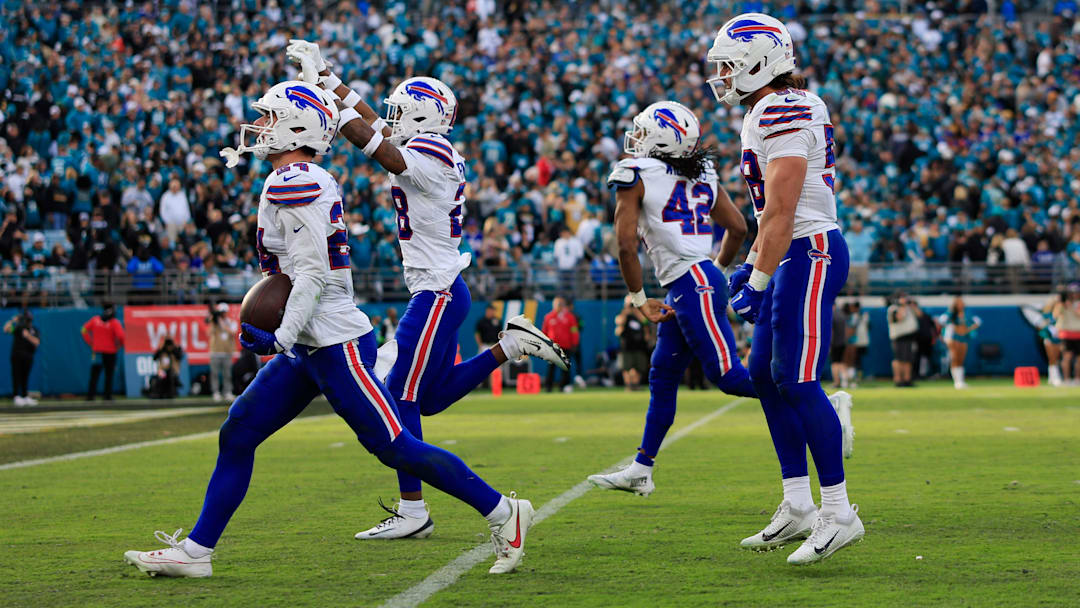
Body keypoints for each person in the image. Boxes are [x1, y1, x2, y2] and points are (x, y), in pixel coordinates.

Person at [125, 79, 536, 578]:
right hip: (309, 341)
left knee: (394, 445)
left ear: (297, 128)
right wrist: (334, 84)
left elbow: (312, 274)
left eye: (270, 118)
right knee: (239, 431)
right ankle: (196, 552)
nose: (260, 126)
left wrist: (279, 337)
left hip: (333, 342)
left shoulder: (296, 180)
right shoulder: (293, 176)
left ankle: (502, 511)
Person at [290, 41, 568, 543]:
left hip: (436, 294)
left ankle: (413, 510)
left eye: (401, 111)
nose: (391, 118)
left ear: (422, 116)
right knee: (429, 398)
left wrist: (317, 102)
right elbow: (375, 126)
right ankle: (508, 347)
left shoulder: (430, 153)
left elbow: (375, 145)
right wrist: (328, 78)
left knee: (398, 394)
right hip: (440, 291)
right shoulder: (431, 147)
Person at [705, 14, 862, 564]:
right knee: (763, 378)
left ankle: (839, 511)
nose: (722, 75)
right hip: (789, 249)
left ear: (758, 61)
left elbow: (783, 210)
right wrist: (755, 266)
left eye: (728, 64)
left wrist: (758, 276)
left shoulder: (784, 109)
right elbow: (769, 215)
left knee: (795, 379)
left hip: (809, 250)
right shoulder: (765, 110)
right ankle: (797, 501)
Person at [587, 100, 758, 498]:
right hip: (693, 279)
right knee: (662, 375)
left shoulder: (636, 174)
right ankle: (641, 469)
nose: (637, 138)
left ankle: (818, 401)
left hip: (690, 280)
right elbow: (737, 228)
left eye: (644, 132)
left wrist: (638, 298)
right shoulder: (702, 173)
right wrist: (714, 270)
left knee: (729, 377)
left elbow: (626, 247)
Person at [82, 302, 125, 401]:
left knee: (94, 375)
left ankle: (90, 396)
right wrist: (119, 346)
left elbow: (83, 329)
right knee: (108, 375)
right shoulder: (114, 322)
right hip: (110, 352)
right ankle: (107, 396)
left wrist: (91, 342)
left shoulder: (95, 320)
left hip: (97, 352)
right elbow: (121, 336)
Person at [940, 296, 980, 389]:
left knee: (961, 359)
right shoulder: (950, 313)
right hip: (953, 337)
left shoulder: (967, 313)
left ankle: (961, 381)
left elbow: (977, 322)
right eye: (958, 303)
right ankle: (956, 381)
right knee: (955, 357)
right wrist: (954, 328)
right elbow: (942, 320)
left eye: (961, 302)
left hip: (964, 337)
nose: (960, 305)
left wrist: (967, 330)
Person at [614, 296, 651, 391]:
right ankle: (628, 386)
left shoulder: (640, 315)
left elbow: (645, 322)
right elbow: (618, 324)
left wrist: (637, 311)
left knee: (639, 367)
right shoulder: (623, 315)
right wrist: (626, 311)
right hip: (626, 346)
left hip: (639, 346)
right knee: (626, 368)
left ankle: (636, 385)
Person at [541, 296, 577, 392]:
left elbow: (574, 330)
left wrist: (575, 343)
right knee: (551, 368)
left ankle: (564, 387)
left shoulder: (569, 317)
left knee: (565, 367)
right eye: (557, 304)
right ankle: (548, 387)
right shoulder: (548, 317)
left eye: (561, 304)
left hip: (566, 346)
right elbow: (544, 332)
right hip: (552, 347)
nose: (559, 306)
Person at [5, 310, 40, 406]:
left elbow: (37, 342)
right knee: (16, 375)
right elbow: (6, 329)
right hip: (17, 355)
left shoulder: (34, 329)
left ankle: (25, 396)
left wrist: (28, 336)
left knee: (25, 377)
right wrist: (13, 320)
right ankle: (16, 396)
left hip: (28, 356)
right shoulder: (18, 328)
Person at [887, 293, 918, 387]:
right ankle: (898, 380)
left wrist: (912, 306)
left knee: (908, 359)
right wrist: (903, 306)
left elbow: (920, 314)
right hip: (898, 337)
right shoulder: (893, 308)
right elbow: (899, 318)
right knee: (899, 359)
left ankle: (907, 379)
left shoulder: (909, 308)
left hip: (909, 337)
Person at [207, 303, 236, 402]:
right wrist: (213, 320)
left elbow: (233, 333)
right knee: (214, 374)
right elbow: (209, 333)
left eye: (224, 312)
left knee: (227, 374)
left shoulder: (231, 322)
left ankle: (227, 392)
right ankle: (216, 392)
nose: (223, 314)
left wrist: (221, 323)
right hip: (215, 352)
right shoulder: (214, 323)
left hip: (227, 352)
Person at [1053, 283, 1080, 385]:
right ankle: (1066, 379)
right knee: (1066, 357)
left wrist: (1071, 307)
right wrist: (1060, 304)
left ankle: (1077, 379)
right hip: (1066, 334)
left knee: (1079, 359)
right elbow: (1055, 315)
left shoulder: (1077, 304)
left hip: (1078, 334)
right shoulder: (1061, 304)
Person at [1041, 292, 1064, 387]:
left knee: (1057, 358)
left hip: (1059, 338)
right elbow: (1043, 327)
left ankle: (1053, 377)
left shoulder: (1062, 315)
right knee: (1052, 358)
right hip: (1049, 338)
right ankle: (1054, 377)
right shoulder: (1047, 315)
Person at [830, 302, 849, 388]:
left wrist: (829, 343)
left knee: (834, 363)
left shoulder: (832, 315)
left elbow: (831, 331)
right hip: (843, 342)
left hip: (835, 342)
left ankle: (836, 382)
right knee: (841, 362)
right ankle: (845, 381)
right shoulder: (841, 314)